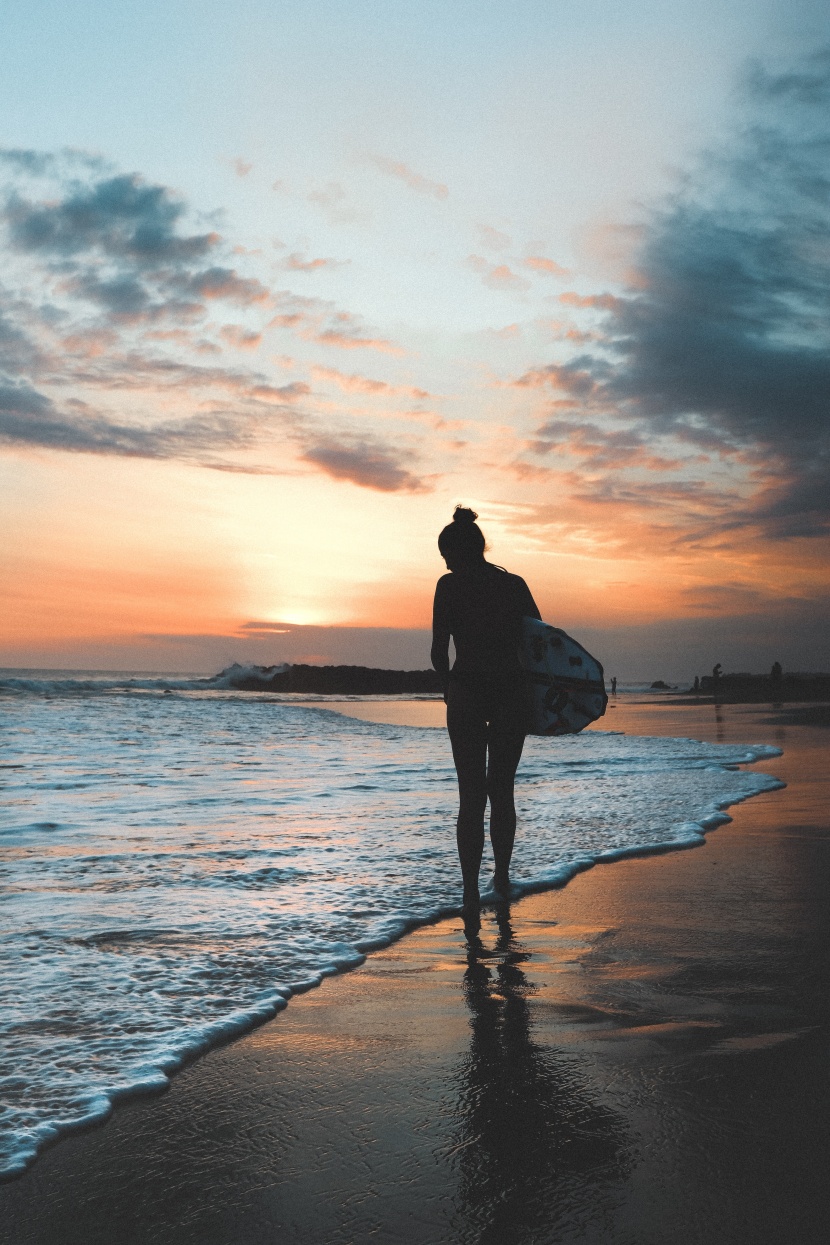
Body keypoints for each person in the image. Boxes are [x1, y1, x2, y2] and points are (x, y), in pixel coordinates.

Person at [431, 506, 541, 916]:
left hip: (467, 695)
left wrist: (448, 687)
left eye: (445, 555)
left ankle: (470, 893)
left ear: (454, 553)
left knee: (470, 797)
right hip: (511, 693)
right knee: (502, 791)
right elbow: (539, 642)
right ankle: (503, 879)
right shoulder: (513, 585)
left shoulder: (448, 586)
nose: (444, 563)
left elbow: (439, 651)